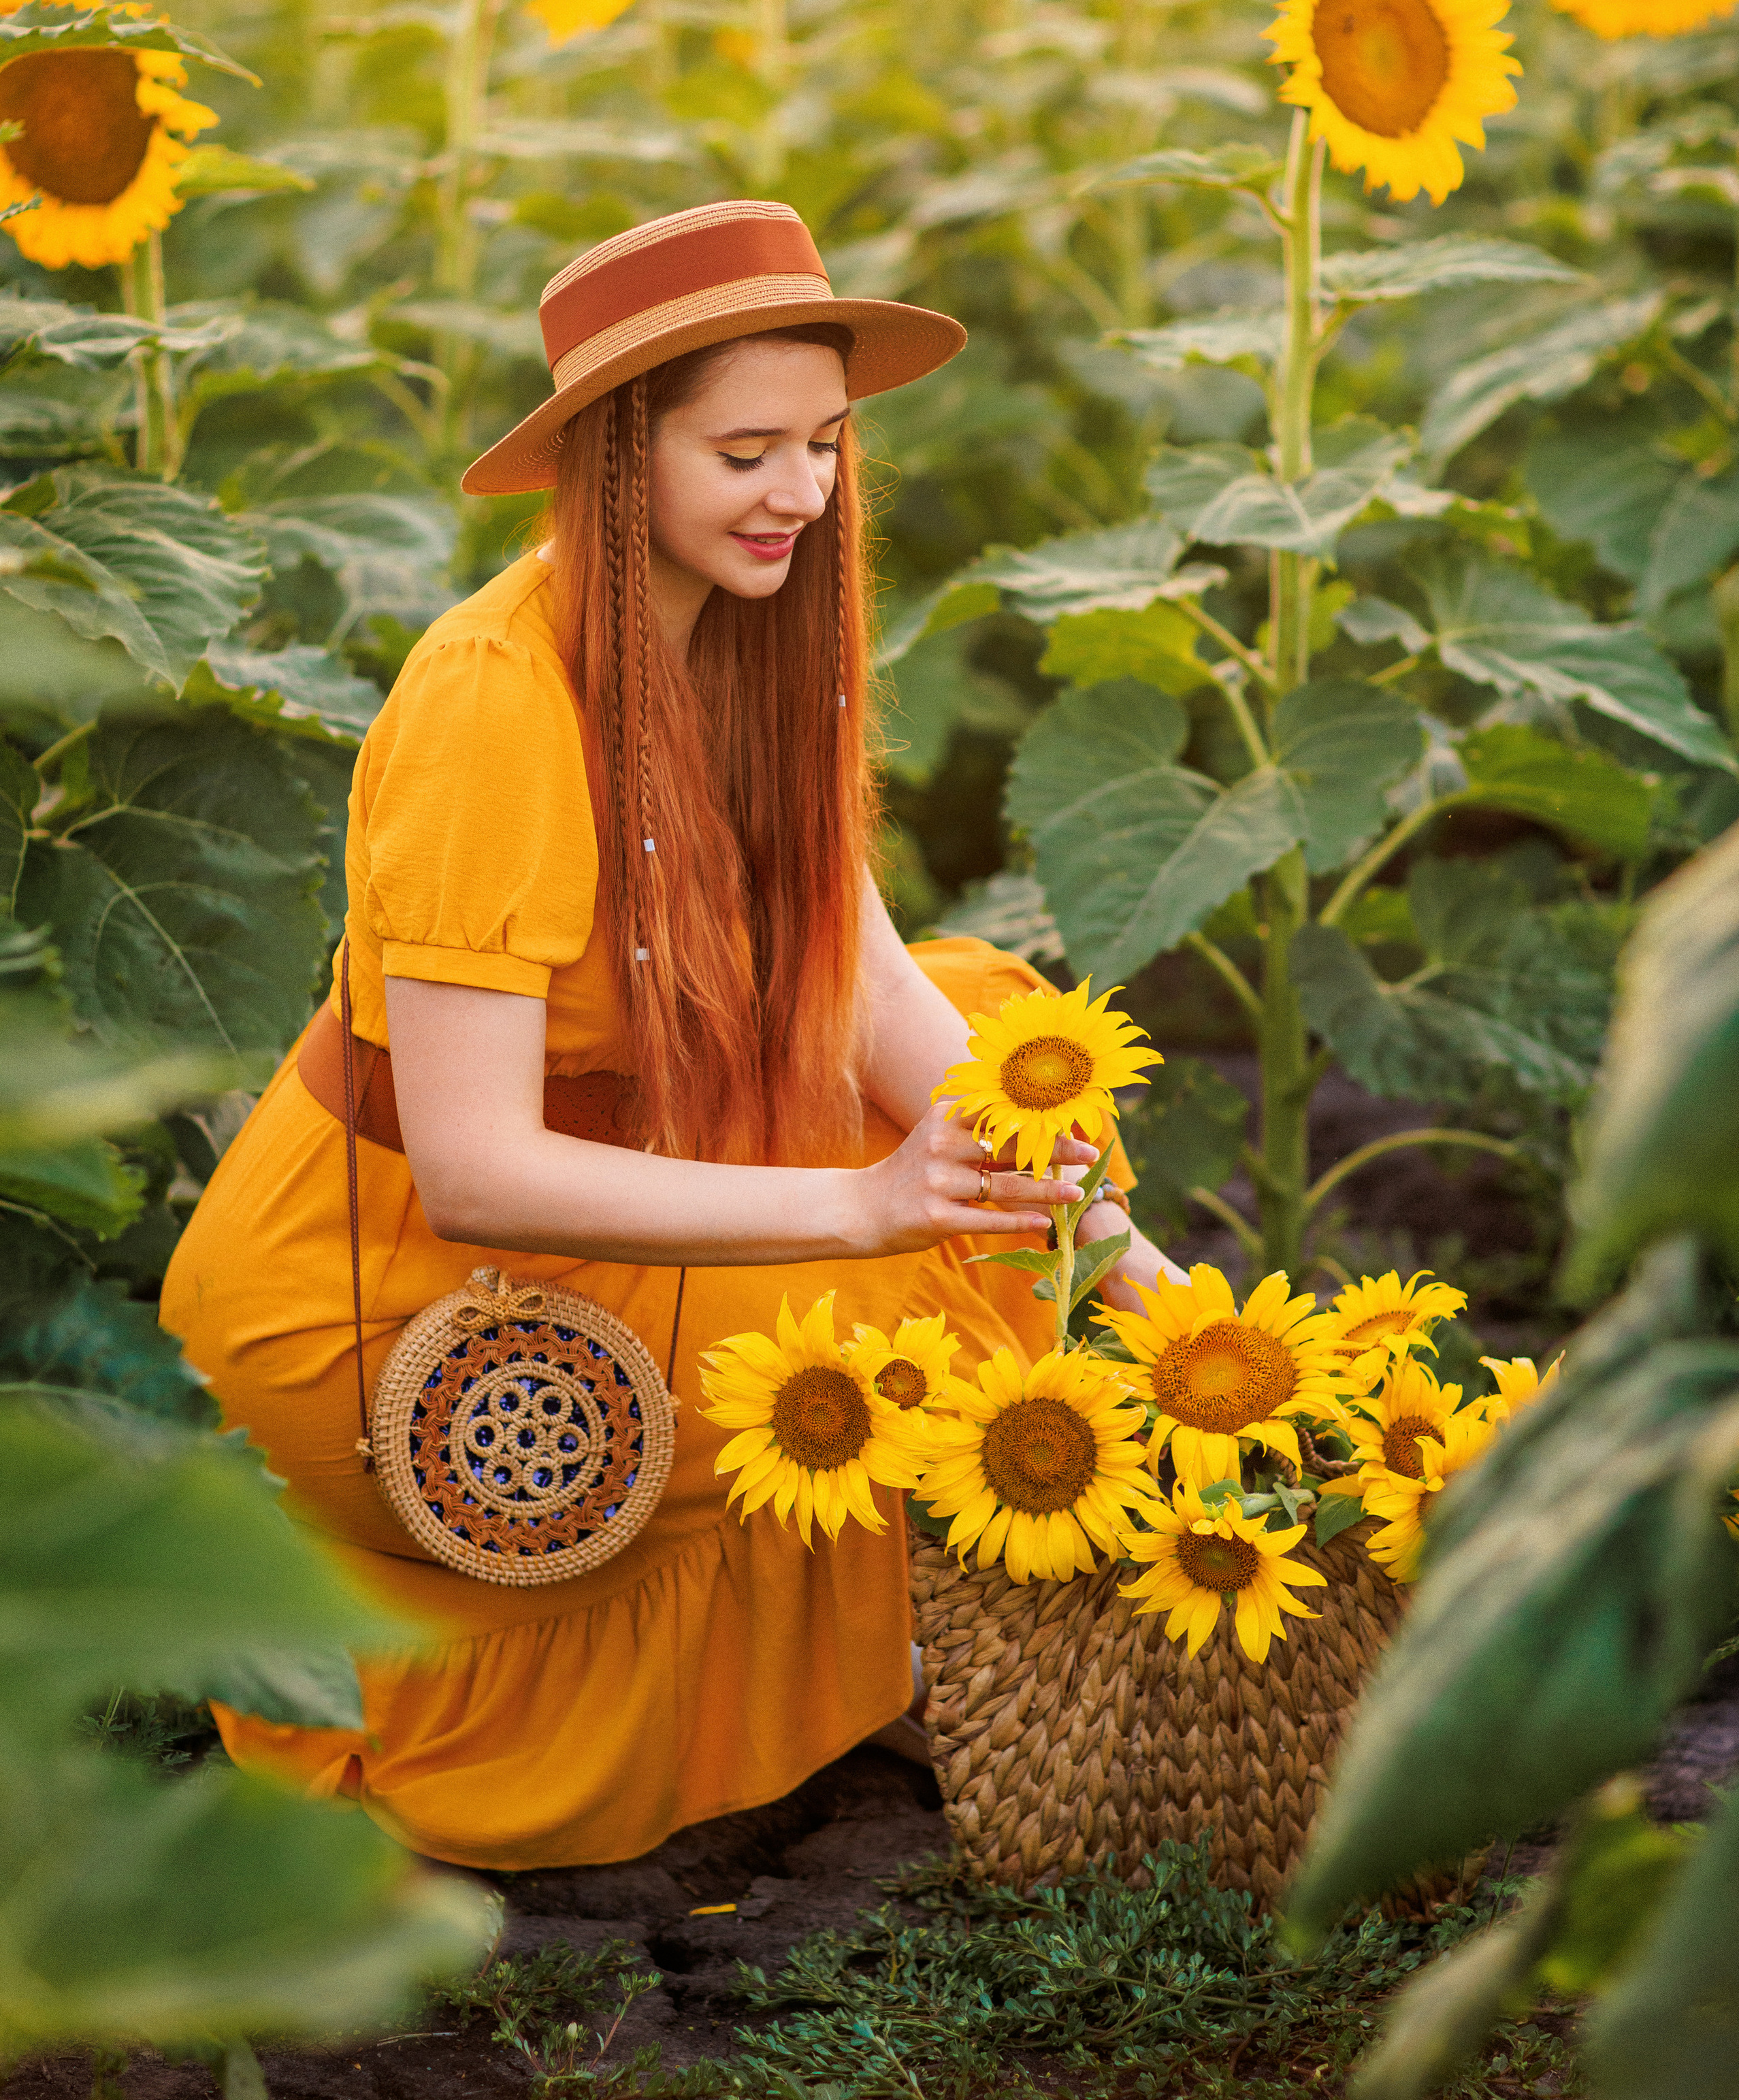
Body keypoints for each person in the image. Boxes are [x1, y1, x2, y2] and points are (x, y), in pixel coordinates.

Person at [161, 199, 1175, 1873]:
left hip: (617, 1178)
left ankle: (901, 1620)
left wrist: (1122, 1254)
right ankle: (903, 1629)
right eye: (748, 452)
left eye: (828, 444)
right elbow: (479, 1171)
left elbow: (859, 988)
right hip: (396, 1304)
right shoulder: (492, 701)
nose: (802, 494)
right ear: (620, 461)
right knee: (849, 1354)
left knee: (1000, 1033)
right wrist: (864, 1209)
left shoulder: (747, 636)